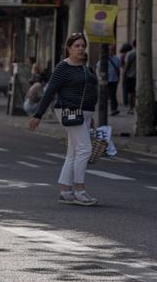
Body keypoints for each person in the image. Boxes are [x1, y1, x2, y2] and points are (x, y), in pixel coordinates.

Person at [28, 32, 99, 206]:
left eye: (83, 46)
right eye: (77, 46)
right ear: (69, 49)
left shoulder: (83, 66)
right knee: (84, 148)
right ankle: (79, 191)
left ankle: (66, 191)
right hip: (69, 111)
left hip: (84, 113)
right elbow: (49, 92)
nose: (81, 49)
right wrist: (38, 115)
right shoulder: (62, 68)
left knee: (73, 151)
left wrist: (90, 117)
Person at [105, 44, 121, 115]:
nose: (110, 51)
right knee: (109, 95)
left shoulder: (117, 59)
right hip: (107, 80)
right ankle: (112, 109)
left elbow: (118, 69)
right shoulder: (104, 59)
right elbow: (97, 67)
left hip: (114, 79)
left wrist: (119, 78)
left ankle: (114, 109)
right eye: (109, 50)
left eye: (112, 50)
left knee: (113, 95)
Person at [121, 42, 137, 114]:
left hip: (131, 76)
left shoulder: (130, 53)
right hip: (138, 76)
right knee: (135, 93)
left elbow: (126, 65)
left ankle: (131, 108)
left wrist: (123, 75)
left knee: (131, 93)